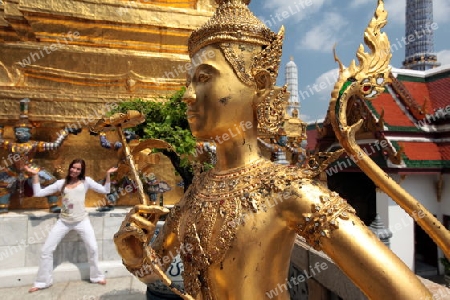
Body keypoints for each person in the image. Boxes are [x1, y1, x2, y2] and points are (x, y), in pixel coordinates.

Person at [113, 1, 434, 299]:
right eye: (189, 80)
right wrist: (135, 255)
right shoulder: (197, 190)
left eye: (203, 77)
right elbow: (152, 270)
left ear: (259, 82)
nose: (188, 95)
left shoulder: (288, 191)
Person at [24, 159, 118, 293]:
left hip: (82, 221)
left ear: (82, 171)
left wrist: (108, 174)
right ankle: (42, 281)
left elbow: (105, 190)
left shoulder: (86, 181)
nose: (75, 171)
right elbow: (39, 193)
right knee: (46, 250)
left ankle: (96, 277)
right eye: (73, 168)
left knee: (93, 248)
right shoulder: (60, 183)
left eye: (78, 169)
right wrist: (35, 175)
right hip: (63, 221)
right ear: (70, 168)